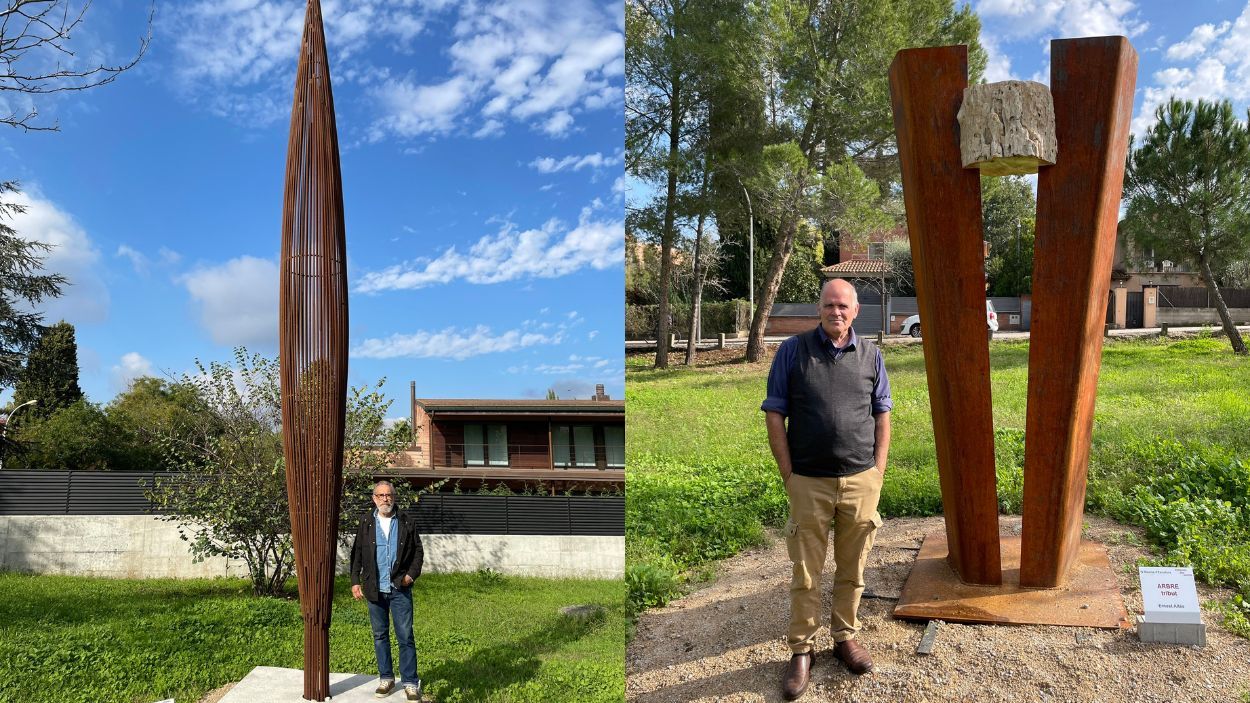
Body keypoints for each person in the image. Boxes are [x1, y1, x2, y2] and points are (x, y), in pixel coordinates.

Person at [761, 278, 892, 701]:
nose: (836, 312)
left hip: (860, 480)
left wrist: (878, 471)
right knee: (805, 571)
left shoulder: (871, 355)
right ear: (819, 308)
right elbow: (774, 414)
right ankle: (802, 650)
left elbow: (882, 413)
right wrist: (788, 474)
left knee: (853, 569)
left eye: (843, 306)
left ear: (856, 312)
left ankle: (844, 638)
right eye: (829, 305)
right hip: (808, 481)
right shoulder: (792, 352)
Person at [351, 480, 425, 700]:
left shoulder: (405, 521)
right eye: (381, 495)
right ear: (374, 498)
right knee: (380, 635)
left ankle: (410, 682)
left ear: (394, 497)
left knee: (405, 636)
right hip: (374, 588)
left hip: (399, 588)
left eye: (389, 495)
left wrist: (410, 575)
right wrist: (355, 580)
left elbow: (418, 552)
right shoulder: (366, 522)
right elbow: (357, 554)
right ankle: (387, 678)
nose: (385, 499)